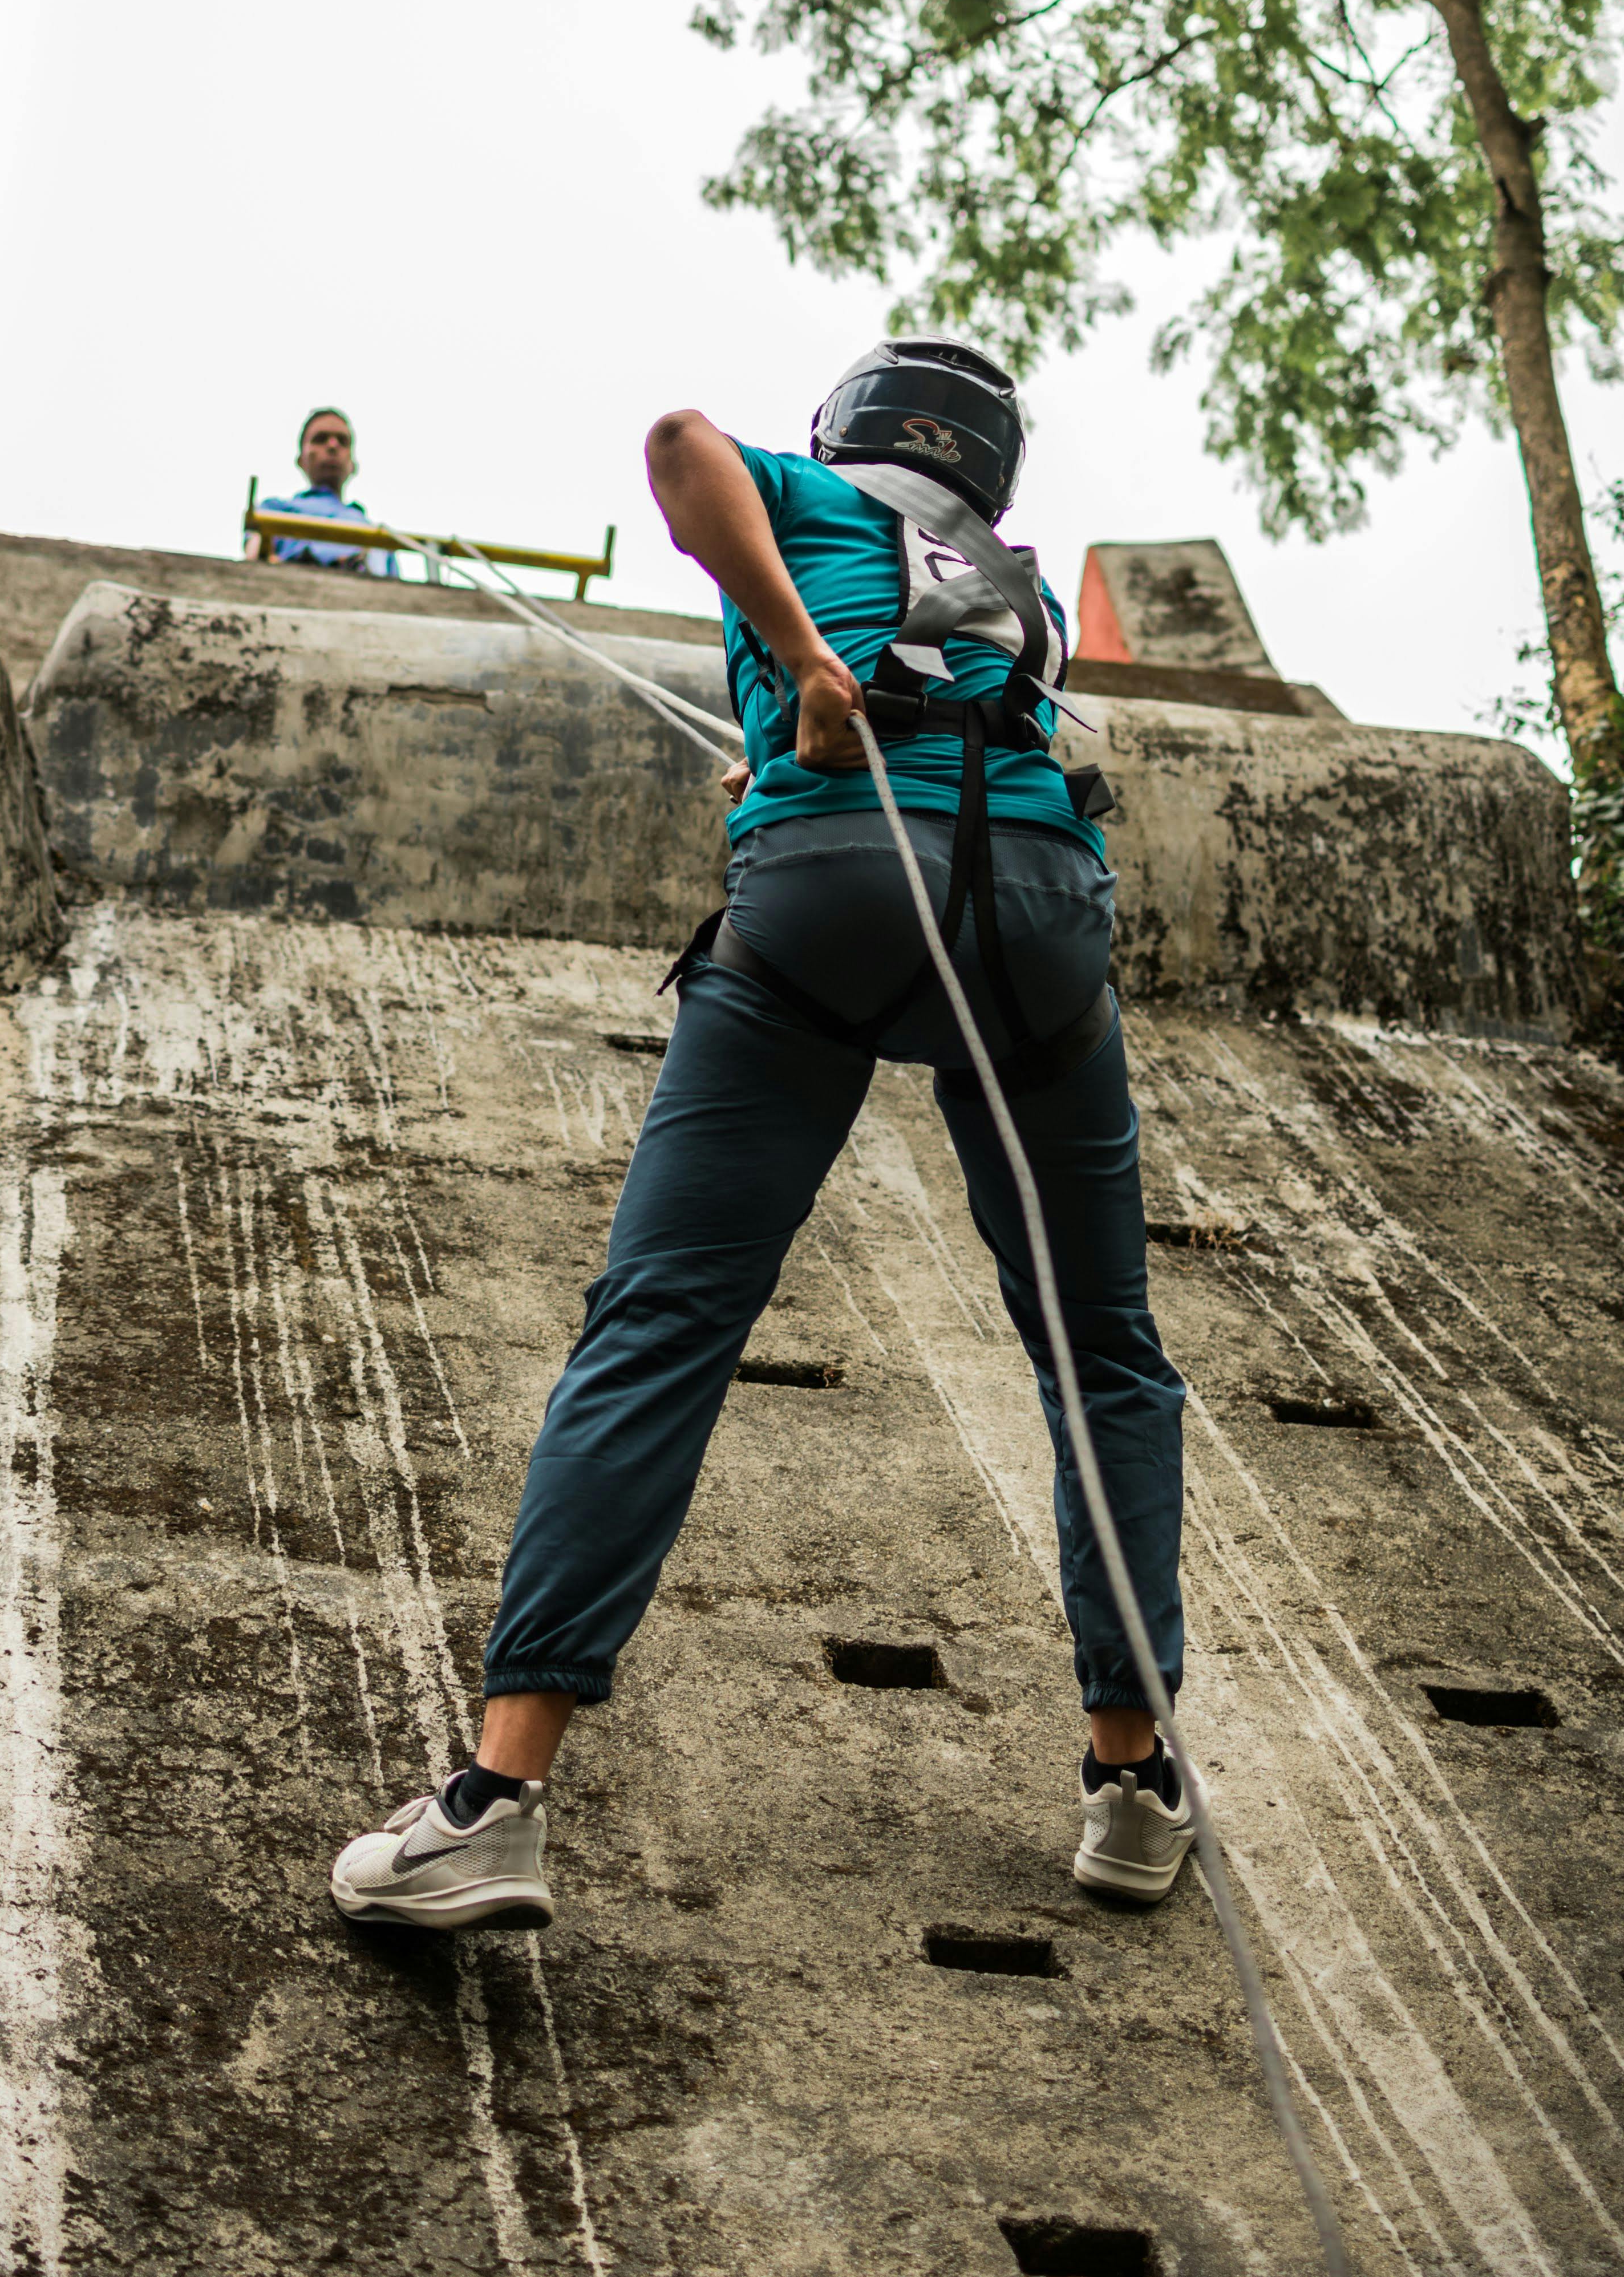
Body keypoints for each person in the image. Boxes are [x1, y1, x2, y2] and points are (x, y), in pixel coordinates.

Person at [330, 338, 1192, 1930]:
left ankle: (497, 1798)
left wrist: (793, 662)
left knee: (660, 1324)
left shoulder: (798, 492)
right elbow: (955, 731)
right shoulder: (1014, 590)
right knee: (1103, 1356)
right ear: (986, 467)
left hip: (820, 896)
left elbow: (675, 445)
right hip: (1039, 929)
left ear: (845, 431)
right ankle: (1131, 1782)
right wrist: (800, 699)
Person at [248, 408, 399, 576]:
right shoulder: (274, 510)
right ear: (301, 459)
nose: (333, 446)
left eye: (343, 441)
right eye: (320, 439)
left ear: (353, 465)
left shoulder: (380, 536)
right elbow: (252, 563)